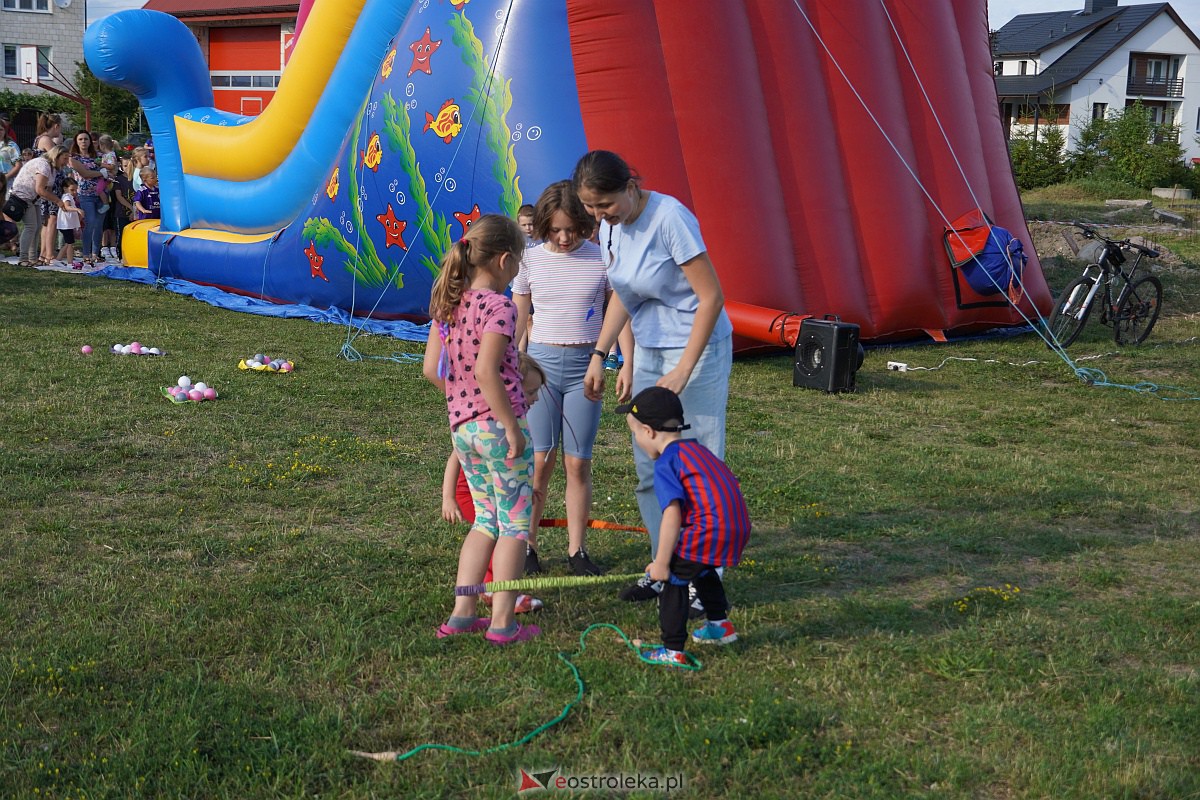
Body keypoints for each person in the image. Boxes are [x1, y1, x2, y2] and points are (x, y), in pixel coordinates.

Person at [572, 149, 734, 605]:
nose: (599, 216)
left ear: (630, 187)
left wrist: (684, 369)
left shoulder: (669, 218)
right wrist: (600, 354)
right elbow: (626, 296)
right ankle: (665, 565)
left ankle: (703, 578)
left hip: (696, 350)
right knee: (652, 467)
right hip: (649, 350)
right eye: (590, 207)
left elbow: (711, 297)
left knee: (696, 465)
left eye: (605, 204)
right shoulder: (610, 226)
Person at [422, 213, 539, 646]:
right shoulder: (499, 306)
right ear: (505, 260)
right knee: (514, 525)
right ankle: (503, 623)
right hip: (498, 429)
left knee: (485, 521)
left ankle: (462, 614)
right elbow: (487, 370)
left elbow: (431, 370)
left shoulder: (448, 305)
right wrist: (510, 425)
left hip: (464, 430)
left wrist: (463, 401)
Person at [512, 180, 634, 577]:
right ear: (543, 225)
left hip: (586, 369)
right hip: (541, 371)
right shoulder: (529, 260)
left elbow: (619, 311)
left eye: (572, 230)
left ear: (585, 224)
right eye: (555, 230)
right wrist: (508, 360)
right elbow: (517, 316)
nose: (564, 238)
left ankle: (577, 550)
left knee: (578, 463)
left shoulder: (602, 259)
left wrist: (627, 362)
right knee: (540, 461)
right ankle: (527, 546)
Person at [616, 386, 749, 667]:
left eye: (635, 434)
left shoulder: (667, 463)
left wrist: (662, 563)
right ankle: (720, 626)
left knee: (675, 579)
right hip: (736, 526)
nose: (637, 440)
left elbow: (672, 514)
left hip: (708, 529)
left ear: (649, 432)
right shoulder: (696, 450)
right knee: (703, 569)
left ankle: (672, 649)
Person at [441, 352, 548, 614]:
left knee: (491, 529)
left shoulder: (485, 420)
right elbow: (455, 458)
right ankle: (496, 594)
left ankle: (471, 604)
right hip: (471, 494)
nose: (535, 399)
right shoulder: (498, 425)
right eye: (530, 392)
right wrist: (448, 497)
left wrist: (524, 490)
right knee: (502, 531)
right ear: (509, 387)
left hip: (494, 490)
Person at [9, 145, 71, 268]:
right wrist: (58, 201)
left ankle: (32, 258)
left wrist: (56, 202)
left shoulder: (52, 168)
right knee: (31, 226)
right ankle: (23, 258)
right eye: (65, 158)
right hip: (23, 196)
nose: (66, 162)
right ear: (56, 156)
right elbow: (40, 189)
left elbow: (47, 189)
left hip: (34, 199)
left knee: (37, 227)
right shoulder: (43, 165)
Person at [67, 131, 105, 266]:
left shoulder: (99, 156)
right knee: (90, 223)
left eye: (86, 139)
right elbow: (85, 173)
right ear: (76, 142)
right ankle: (86, 254)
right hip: (85, 194)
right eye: (81, 139)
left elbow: (111, 168)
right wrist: (101, 173)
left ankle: (96, 253)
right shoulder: (73, 158)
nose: (83, 141)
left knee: (99, 225)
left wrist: (107, 172)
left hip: (101, 194)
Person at [54, 176, 84, 268]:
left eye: (76, 190)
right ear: (65, 189)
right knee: (70, 244)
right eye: (72, 190)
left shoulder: (70, 197)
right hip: (65, 224)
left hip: (67, 224)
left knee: (68, 243)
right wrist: (77, 209)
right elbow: (66, 207)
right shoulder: (67, 197)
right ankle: (70, 263)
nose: (75, 192)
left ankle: (58, 259)